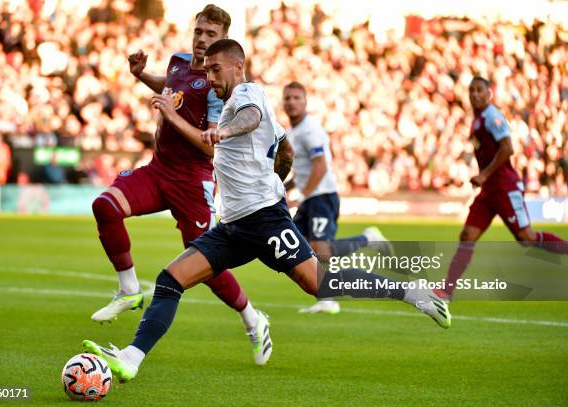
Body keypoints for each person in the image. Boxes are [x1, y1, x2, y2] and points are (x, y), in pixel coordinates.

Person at [82, 39, 451, 381]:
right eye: (206, 71)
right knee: (169, 280)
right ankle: (131, 358)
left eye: (215, 70)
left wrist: (226, 138)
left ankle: (411, 292)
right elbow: (285, 150)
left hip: (264, 222)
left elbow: (251, 120)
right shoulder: (229, 103)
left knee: (322, 285)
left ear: (237, 66)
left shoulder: (248, 94)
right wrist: (276, 182)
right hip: (235, 226)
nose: (209, 77)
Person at [89, 5, 270, 364]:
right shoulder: (178, 61)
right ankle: (128, 289)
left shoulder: (223, 90)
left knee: (203, 262)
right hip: (160, 169)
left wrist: (170, 115)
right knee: (105, 206)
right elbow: (172, 86)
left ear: (224, 41)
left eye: (211, 35)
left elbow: (209, 143)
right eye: (199, 31)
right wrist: (142, 75)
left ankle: (252, 318)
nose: (202, 40)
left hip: (193, 180)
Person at [433, 77, 568, 302]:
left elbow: (508, 148)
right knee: (467, 235)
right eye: (471, 91)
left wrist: (484, 174)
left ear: (489, 94)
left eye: (479, 90)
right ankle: (446, 291)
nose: (475, 94)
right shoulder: (476, 120)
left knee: (527, 238)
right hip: (488, 191)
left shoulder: (492, 117)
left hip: (505, 186)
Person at [282, 81, 394, 314]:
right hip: (310, 196)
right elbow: (303, 169)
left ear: (305, 102)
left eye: (296, 98)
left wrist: (299, 195)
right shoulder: (293, 131)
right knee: (299, 247)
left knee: (320, 250)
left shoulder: (311, 129)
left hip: (321, 196)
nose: (291, 102)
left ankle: (367, 238)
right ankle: (327, 298)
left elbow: (320, 166)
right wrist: (285, 186)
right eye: (288, 98)